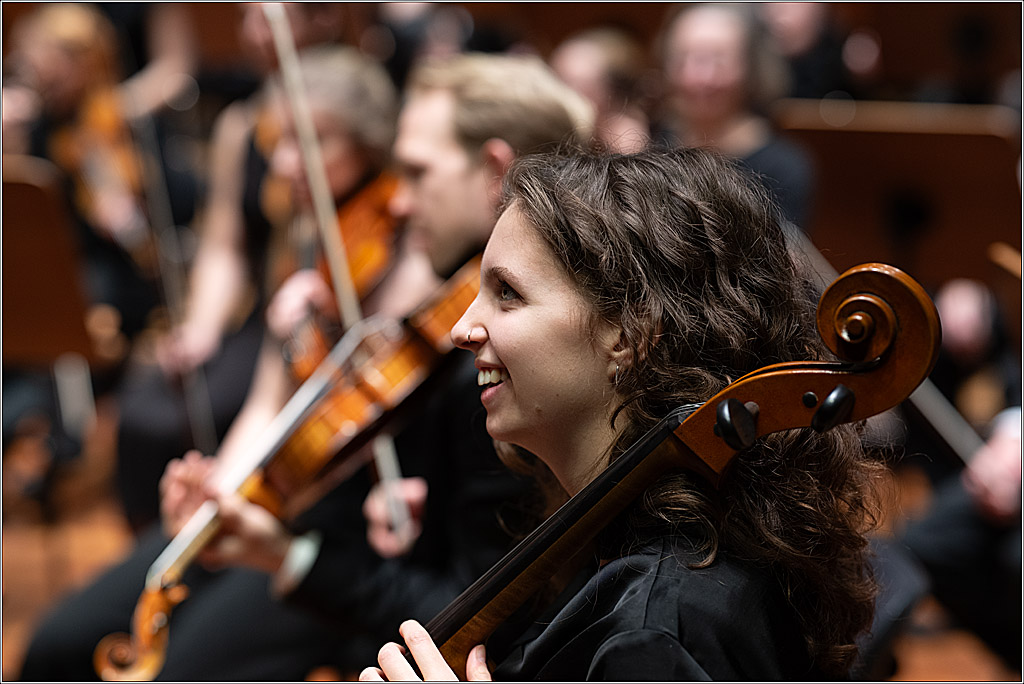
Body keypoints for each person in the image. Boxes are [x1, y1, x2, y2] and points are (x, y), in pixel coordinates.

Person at [17, 52, 594, 681]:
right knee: (55, 645)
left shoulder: (504, 361)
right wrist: (225, 494)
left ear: (494, 172)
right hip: (295, 519)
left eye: (417, 171)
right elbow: (291, 405)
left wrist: (299, 550)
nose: (398, 197)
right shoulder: (379, 249)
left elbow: (469, 600)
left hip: (338, 570)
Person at [361, 146, 890, 681]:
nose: (462, 328)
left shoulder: (655, 633)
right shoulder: (627, 555)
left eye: (508, 293)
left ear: (630, 334)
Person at [652, 2, 814, 230]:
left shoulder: (783, 167)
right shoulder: (649, 146)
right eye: (684, 58)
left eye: (718, 60)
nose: (699, 77)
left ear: (752, 68)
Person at [549, 25, 652, 153]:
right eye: (555, 82)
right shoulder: (555, 132)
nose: (559, 95)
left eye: (577, 87)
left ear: (611, 92)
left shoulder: (625, 144)